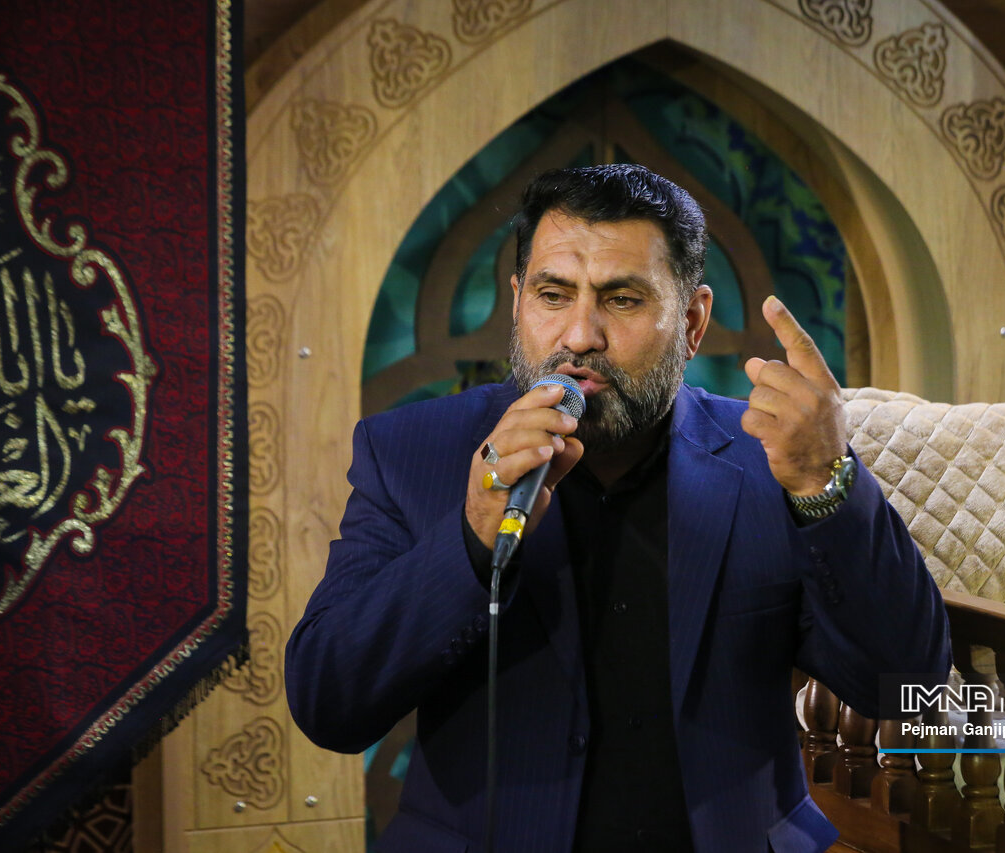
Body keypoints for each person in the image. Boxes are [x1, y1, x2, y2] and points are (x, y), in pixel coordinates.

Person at [286, 164, 951, 852]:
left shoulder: (778, 458)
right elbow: (329, 704)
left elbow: (908, 689)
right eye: (553, 295)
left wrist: (825, 484)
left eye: (622, 299)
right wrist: (471, 536)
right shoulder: (410, 452)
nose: (579, 335)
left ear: (692, 322)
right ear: (516, 304)